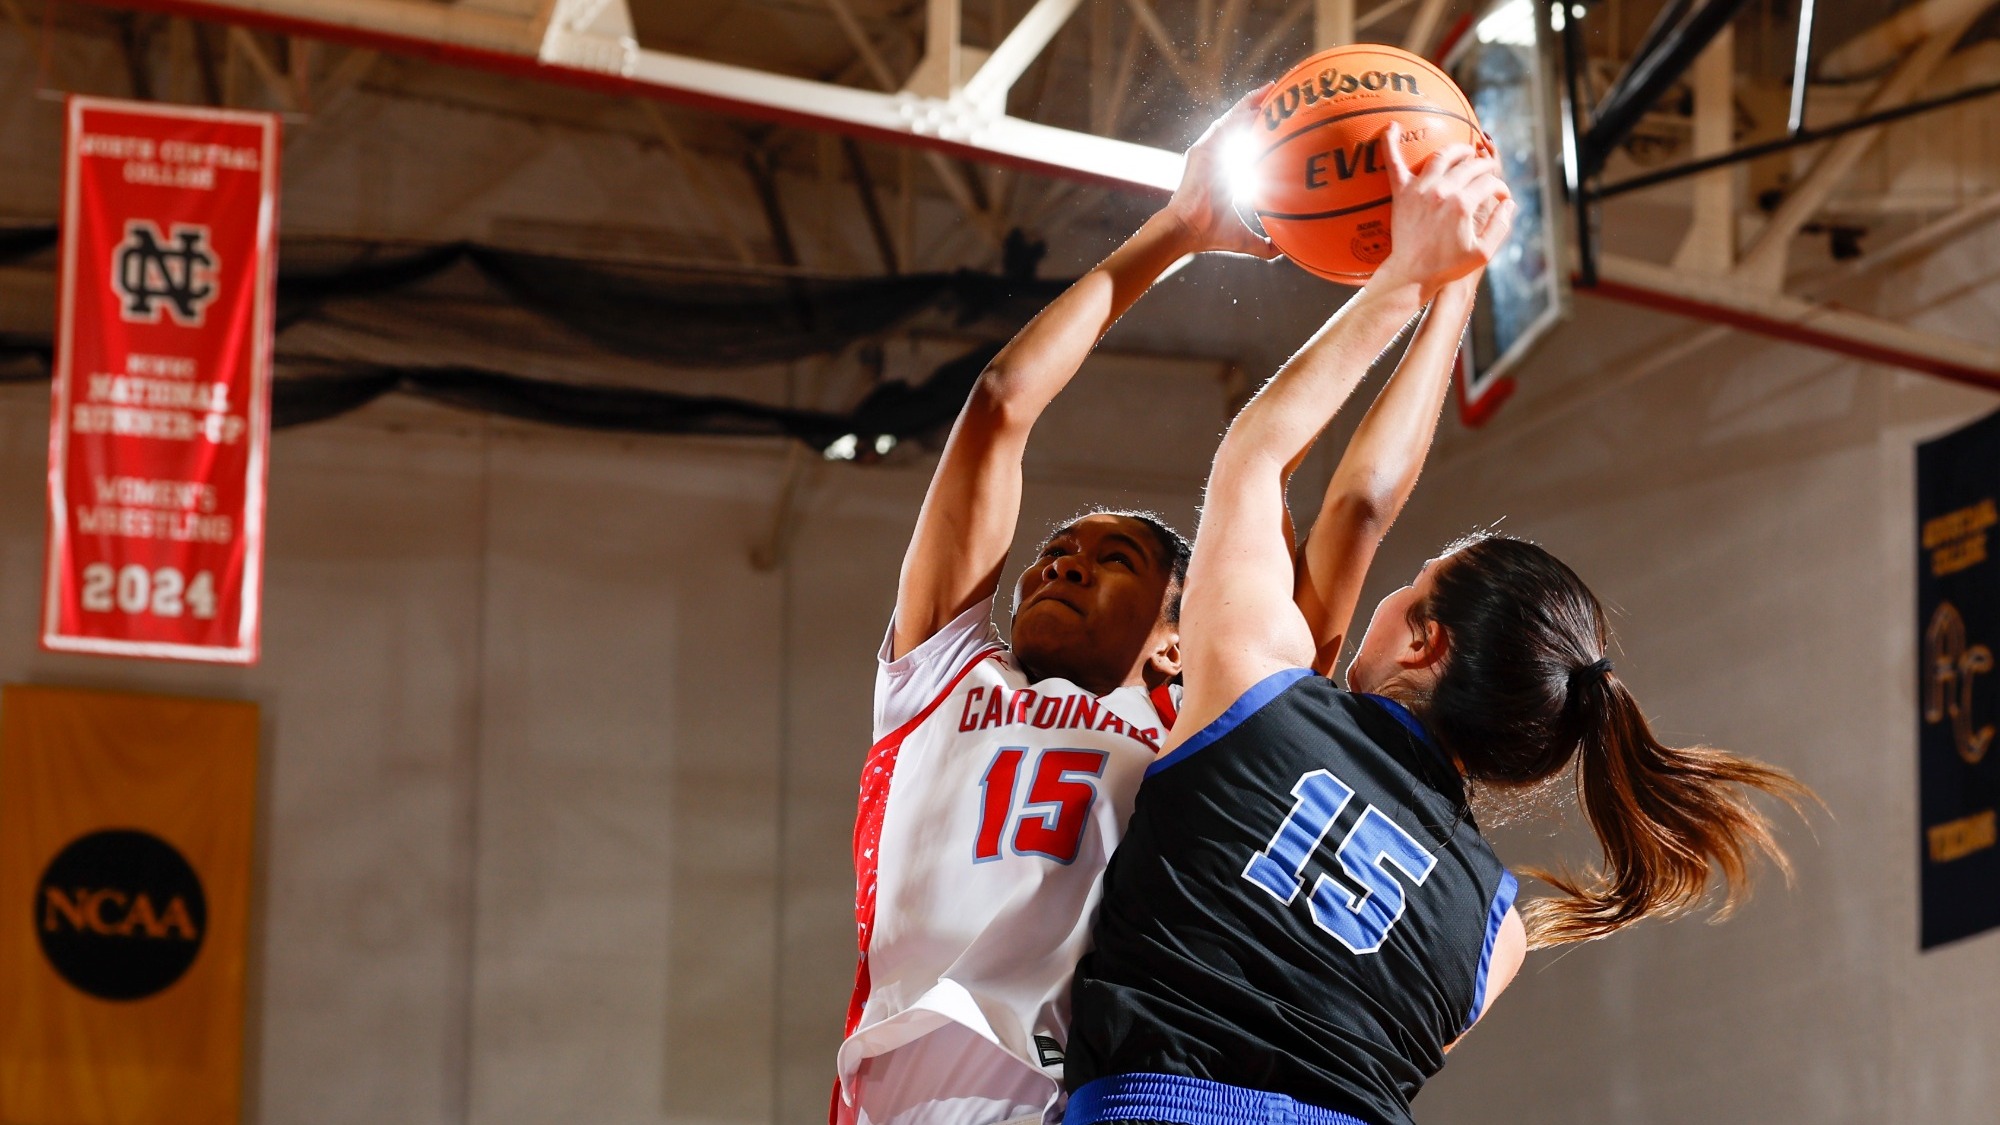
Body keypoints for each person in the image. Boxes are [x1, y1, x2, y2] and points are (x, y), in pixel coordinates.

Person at [1060, 129, 1811, 1125]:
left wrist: (1412, 279)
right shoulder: (1496, 935)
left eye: (1410, 586)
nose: (1384, 591)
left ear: (1425, 641)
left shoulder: (1258, 692)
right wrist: (1447, 289)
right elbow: (1355, 509)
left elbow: (1259, 456)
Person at [835, 91, 1277, 1125]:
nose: (1060, 570)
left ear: (1176, 638)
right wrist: (1176, 231)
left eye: (1112, 560)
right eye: (1052, 555)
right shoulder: (939, 679)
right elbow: (998, 404)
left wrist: (1413, 287)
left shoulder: (1187, 734)